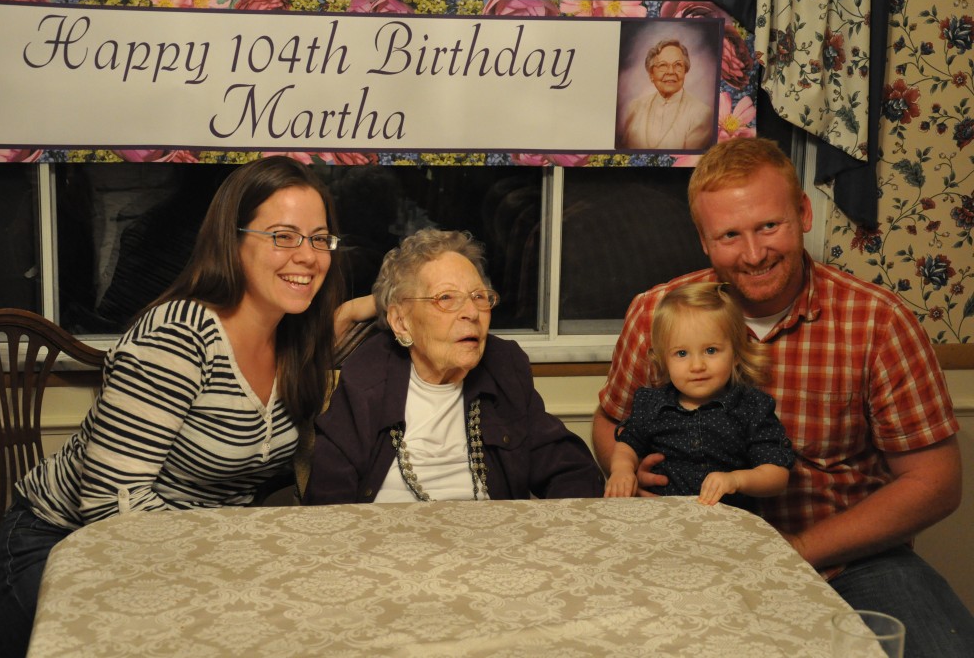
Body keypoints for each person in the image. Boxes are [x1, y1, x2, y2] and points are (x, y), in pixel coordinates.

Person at [592, 137, 974, 657]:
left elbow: (935, 482)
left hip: (846, 561)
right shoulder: (657, 313)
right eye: (730, 235)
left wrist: (794, 551)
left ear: (804, 214)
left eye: (769, 226)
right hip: (686, 549)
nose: (754, 254)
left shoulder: (878, 322)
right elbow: (612, 421)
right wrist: (628, 471)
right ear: (704, 240)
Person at [0, 156, 347, 656]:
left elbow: (349, 322)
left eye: (319, 238)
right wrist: (226, 556)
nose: (307, 256)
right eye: (283, 236)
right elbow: (110, 504)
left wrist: (385, 303)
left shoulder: (295, 339)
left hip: (179, 553)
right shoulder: (180, 336)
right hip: (61, 544)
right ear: (232, 241)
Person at [306, 228, 604, 504]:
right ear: (401, 322)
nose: (472, 312)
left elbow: (572, 471)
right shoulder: (368, 375)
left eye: (479, 297)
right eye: (446, 298)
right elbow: (328, 496)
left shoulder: (503, 367)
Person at [604, 282, 794, 509]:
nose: (697, 366)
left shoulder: (751, 407)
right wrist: (622, 471)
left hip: (727, 522)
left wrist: (736, 480)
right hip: (664, 518)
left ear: (736, 354)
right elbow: (627, 446)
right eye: (681, 353)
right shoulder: (651, 404)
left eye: (711, 350)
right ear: (663, 360)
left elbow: (777, 476)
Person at [620, 38, 714, 151]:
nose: (670, 71)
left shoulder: (701, 114)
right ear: (651, 74)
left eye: (678, 65)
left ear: (685, 70)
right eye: (663, 65)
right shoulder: (635, 108)